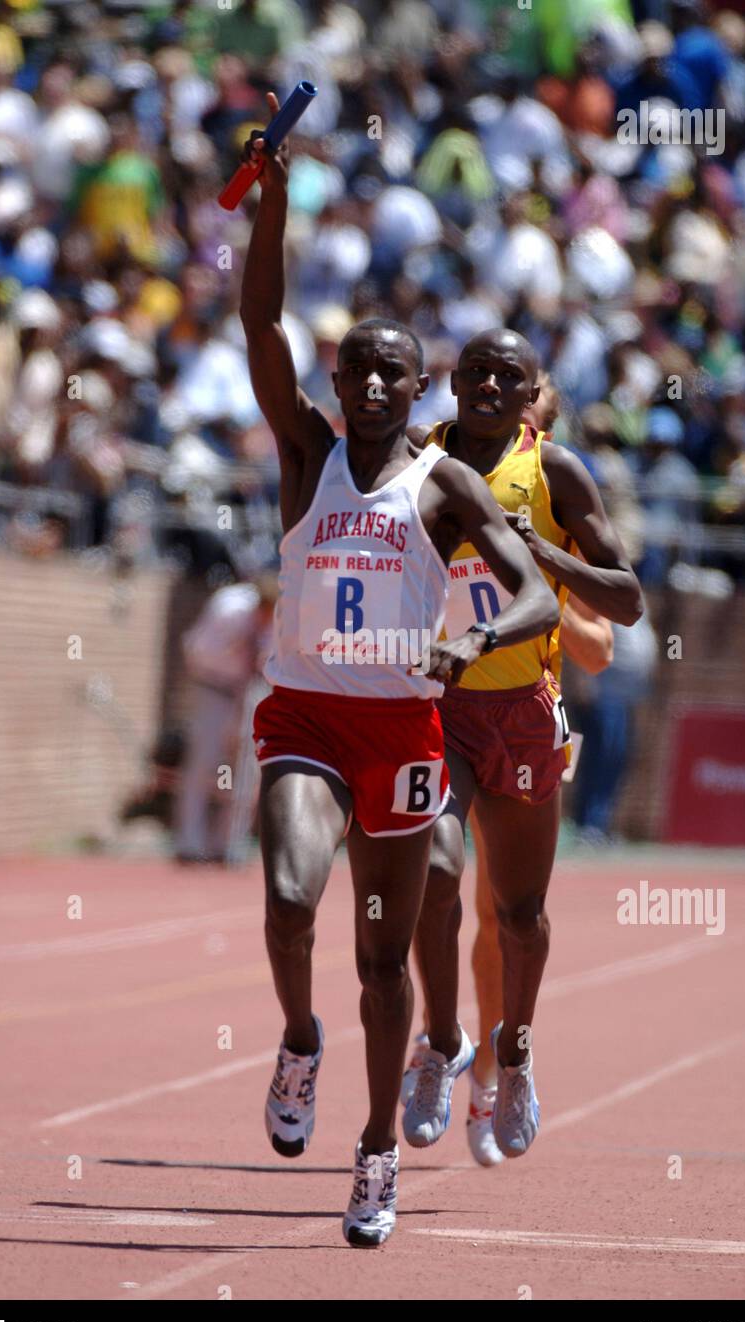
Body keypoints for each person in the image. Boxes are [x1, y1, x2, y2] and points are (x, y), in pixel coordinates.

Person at [239, 97, 560, 1247]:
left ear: (415, 393)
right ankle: (296, 1040)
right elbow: (259, 316)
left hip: (406, 735)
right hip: (309, 717)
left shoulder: (439, 487)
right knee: (285, 896)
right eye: (358, 370)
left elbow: (530, 586)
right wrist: (273, 197)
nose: (373, 387)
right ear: (337, 379)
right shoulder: (307, 454)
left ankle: (376, 1150)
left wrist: (474, 639)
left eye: (393, 376)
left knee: (385, 957)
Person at [399, 328, 643, 1166]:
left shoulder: (554, 473)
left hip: (523, 712)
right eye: (477, 372)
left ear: (534, 392)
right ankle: (438, 1043)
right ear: (450, 382)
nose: (492, 386)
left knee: (514, 921)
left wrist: (533, 554)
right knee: (434, 872)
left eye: (512, 376)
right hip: (433, 703)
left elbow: (623, 610)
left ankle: (511, 1055)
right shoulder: (413, 459)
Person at [175, 571, 278, 865]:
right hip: (216, 688)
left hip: (253, 690)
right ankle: (190, 844)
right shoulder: (228, 608)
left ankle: (229, 844)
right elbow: (196, 651)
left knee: (246, 769)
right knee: (202, 763)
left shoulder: (282, 617)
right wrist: (234, 650)